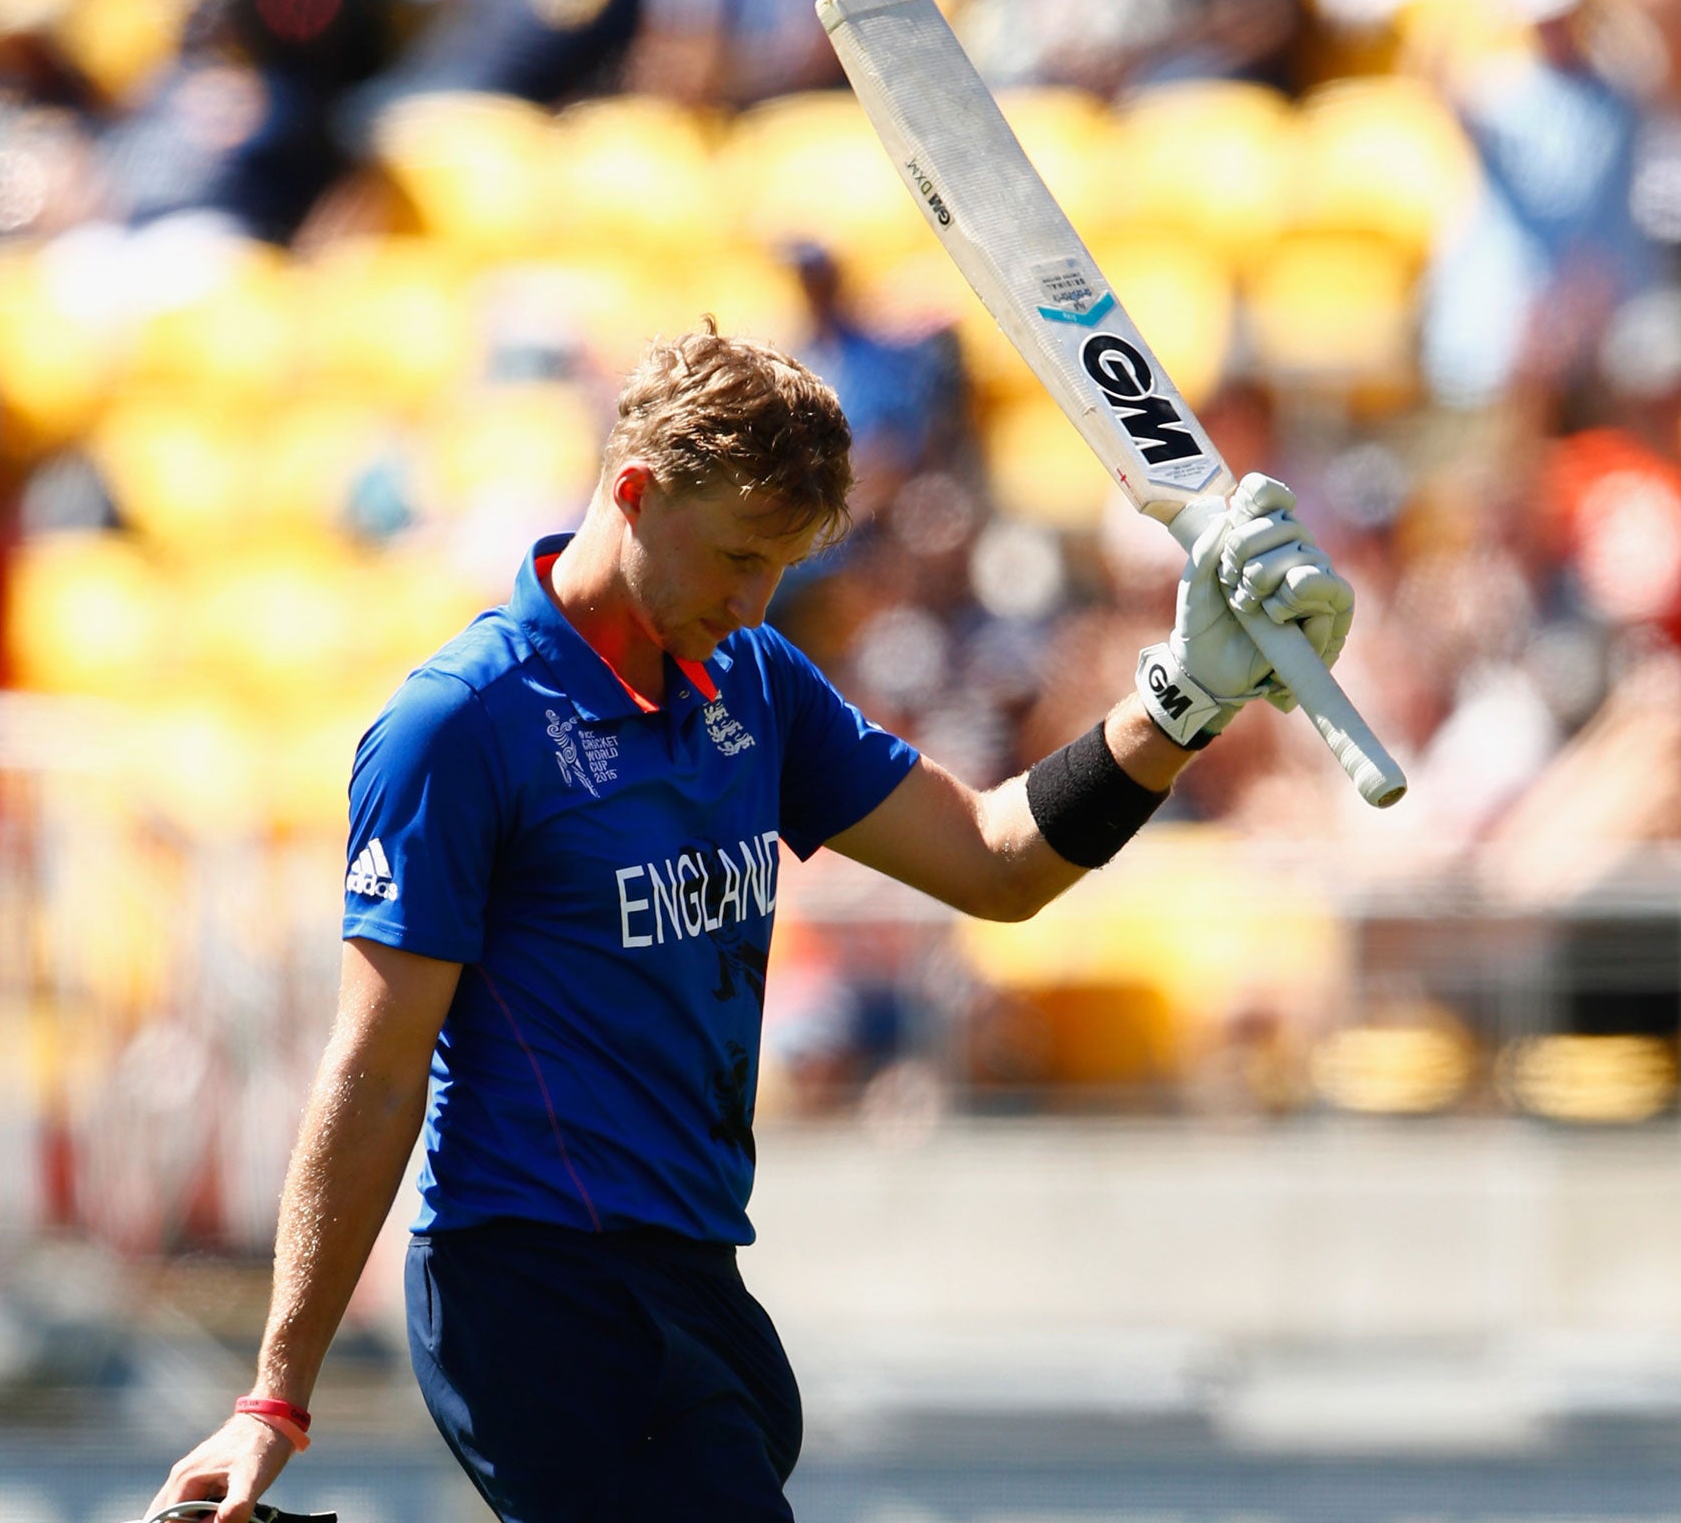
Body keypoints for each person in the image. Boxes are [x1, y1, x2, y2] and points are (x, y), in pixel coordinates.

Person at [147, 329, 1352, 1522]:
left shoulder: (756, 680)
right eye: (731, 555)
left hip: (695, 1278)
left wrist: (1183, 698)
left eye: (777, 567)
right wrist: (273, 1401)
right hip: (531, 1285)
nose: (750, 599)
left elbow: (995, 865)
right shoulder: (460, 727)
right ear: (633, 493)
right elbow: (372, 1067)